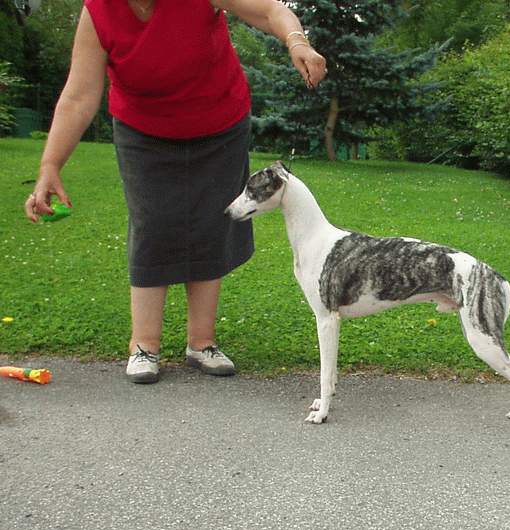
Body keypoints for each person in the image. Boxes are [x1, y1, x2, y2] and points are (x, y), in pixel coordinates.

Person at [23, 0, 326, 384]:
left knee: (213, 221)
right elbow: (79, 96)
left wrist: (297, 41)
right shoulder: (98, 12)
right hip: (143, 129)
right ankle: (144, 346)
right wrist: (50, 166)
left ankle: (202, 343)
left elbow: (268, 10)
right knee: (153, 223)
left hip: (219, 122)